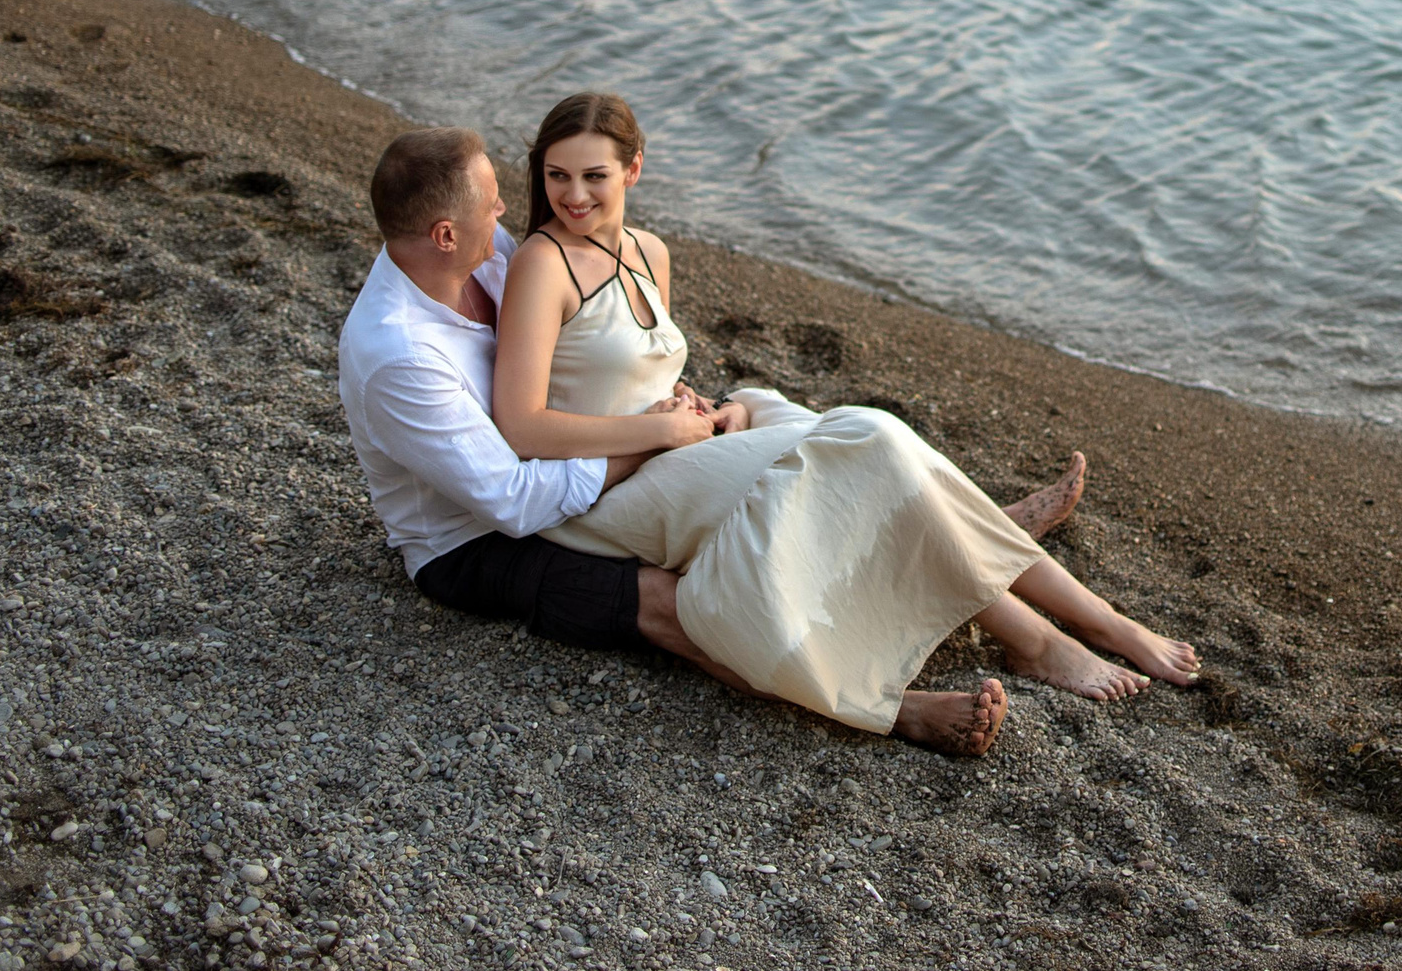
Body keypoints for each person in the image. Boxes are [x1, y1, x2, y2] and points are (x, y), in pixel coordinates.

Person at [489, 91, 1198, 756]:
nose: (574, 195)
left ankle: (1086, 611)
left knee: (808, 420)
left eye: (594, 176)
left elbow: (642, 369)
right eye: (557, 176)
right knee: (873, 438)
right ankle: (1040, 637)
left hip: (676, 439)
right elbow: (521, 426)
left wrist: (705, 409)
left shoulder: (649, 251)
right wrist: (659, 432)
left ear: (634, 169)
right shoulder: (542, 264)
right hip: (605, 488)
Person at [335, 125, 1096, 719]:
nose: (506, 212)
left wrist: (660, 400)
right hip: (474, 544)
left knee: (792, 424)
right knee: (676, 599)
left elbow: (571, 351)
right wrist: (656, 437)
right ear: (443, 234)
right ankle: (892, 708)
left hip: (583, 454)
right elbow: (510, 499)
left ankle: (962, 523)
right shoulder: (400, 355)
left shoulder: (479, 255)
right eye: (490, 203)